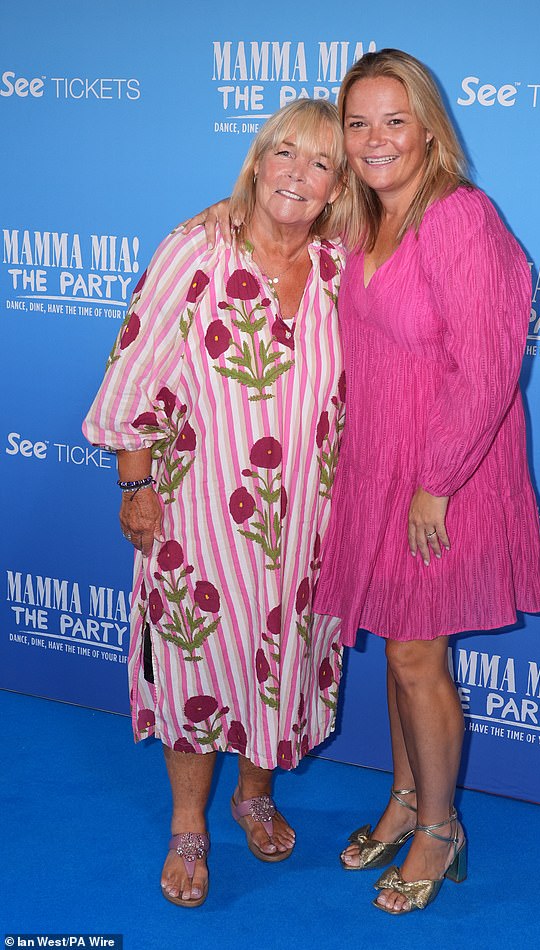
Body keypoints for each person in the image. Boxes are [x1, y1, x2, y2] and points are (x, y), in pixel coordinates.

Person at [190, 48, 540, 916]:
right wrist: (223, 218)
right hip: (373, 464)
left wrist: (437, 481)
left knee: (420, 655)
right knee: (396, 641)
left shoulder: (462, 218)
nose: (375, 139)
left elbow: (488, 366)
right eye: (359, 123)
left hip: (443, 473)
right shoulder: (359, 218)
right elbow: (278, 227)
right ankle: (402, 802)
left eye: (394, 120)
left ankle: (440, 828)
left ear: (428, 125)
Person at [83, 99, 348, 908]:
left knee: (279, 655)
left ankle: (254, 794)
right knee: (200, 658)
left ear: (338, 188)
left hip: (307, 519)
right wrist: (136, 484)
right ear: (258, 161)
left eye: (320, 164)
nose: (297, 175)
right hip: (198, 512)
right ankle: (190, 825)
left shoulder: (344, 263)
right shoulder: (195, 249)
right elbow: (133, 373)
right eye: (285, 155)